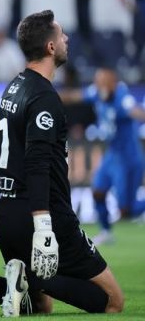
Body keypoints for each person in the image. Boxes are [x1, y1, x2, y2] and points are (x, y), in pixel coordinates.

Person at [0, 10, 123, 318]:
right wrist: (44, 228)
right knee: (112, 302)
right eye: (61, 34)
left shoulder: (14, 87)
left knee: (40, 306)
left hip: (6, 214)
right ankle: (33, 279)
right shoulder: (44, 97)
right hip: (44, 215)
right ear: (51, 47)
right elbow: (37, 162)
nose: (66, 38)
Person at [60, 68, 145, 245]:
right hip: (112, 155)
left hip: (128, 158)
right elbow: (75, 96)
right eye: (97, 82)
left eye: (102, 82)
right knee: (98, 192)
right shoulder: (96, 92)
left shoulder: (122, 97)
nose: (98, 86)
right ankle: (106, 232)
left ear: (113, 83)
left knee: (126, 211)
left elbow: (134, 111)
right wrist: (47, 97)